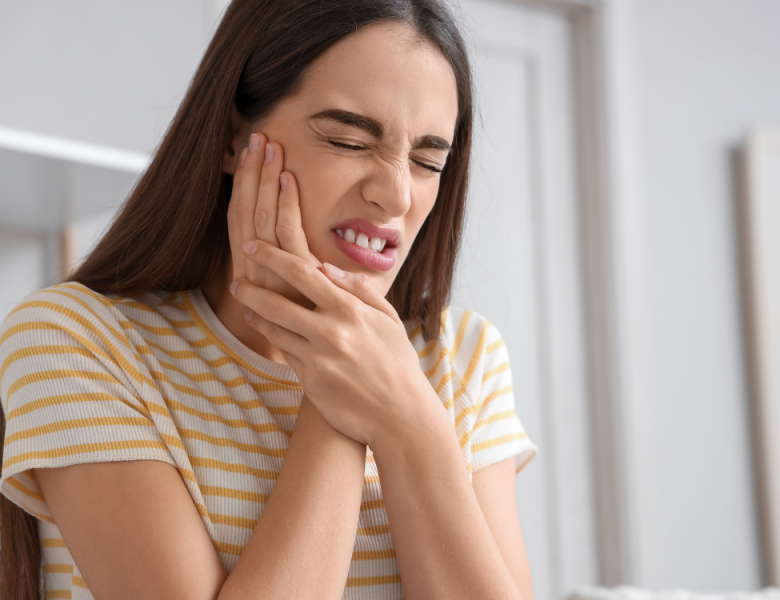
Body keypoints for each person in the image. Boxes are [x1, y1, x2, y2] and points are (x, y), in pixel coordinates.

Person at [0, 0, 538, 598]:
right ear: (234, 137)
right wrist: (337, 374)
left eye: (426, 160)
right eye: (347, 141)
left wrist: (410, 420)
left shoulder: (463, 357)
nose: (395, 196)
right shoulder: (75, 341)